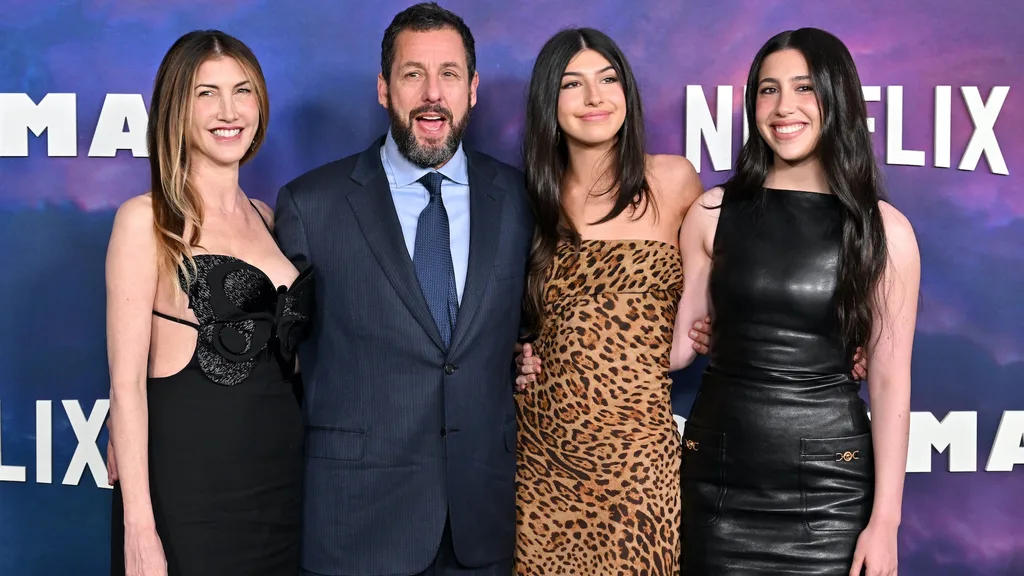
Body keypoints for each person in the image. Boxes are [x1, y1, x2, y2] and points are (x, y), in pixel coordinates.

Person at [271, 3, 530, 575]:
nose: (432, 93)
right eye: (413, 74)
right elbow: (270, 362)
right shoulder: (311, 205)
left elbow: (526, 327)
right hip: (357, 527)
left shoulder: (518, 200)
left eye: (450, 74)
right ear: (385, 88)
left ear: (474, 89)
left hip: (480, 526)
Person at [671, 28, 919, 575]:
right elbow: (675, 347)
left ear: (838, 98)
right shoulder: (713, 211)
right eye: (767, 89)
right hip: (717, 481)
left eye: (805, 88)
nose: (784, 107)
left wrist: (885, 523)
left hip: (829, 493)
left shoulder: (883, 231)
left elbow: (889, 381)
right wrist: (540, 349)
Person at [105, 30, 310, 576]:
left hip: (283, 486)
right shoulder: (143, 221)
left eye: (242, 91)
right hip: (192, 499)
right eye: (206, 93)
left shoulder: (270, 217)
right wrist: (139, 532)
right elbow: (125, 387)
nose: (229, 110)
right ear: (177, 107)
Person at [512, 28, 703, 575]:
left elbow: (723, 292)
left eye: (608, 79)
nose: (595, 97)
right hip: (543, 461)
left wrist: (700, 335)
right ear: (550, 101)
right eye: (573, 84)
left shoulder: (673, 180)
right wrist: (514, 355)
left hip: (639, 458)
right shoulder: (527, 199)